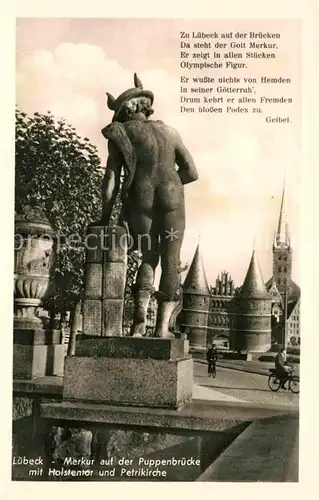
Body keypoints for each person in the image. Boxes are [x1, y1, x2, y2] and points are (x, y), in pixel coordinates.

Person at [100, 73, 198, 338]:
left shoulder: (120, 133)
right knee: (171, 259)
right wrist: (171, 182)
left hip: (141, 194)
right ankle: (163, 329)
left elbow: (110, 179)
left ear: (124, 110)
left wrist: (104, 217)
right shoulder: (170, 131)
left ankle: (138, 324)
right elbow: (192, 172)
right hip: (173, 193)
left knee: (149, 256)